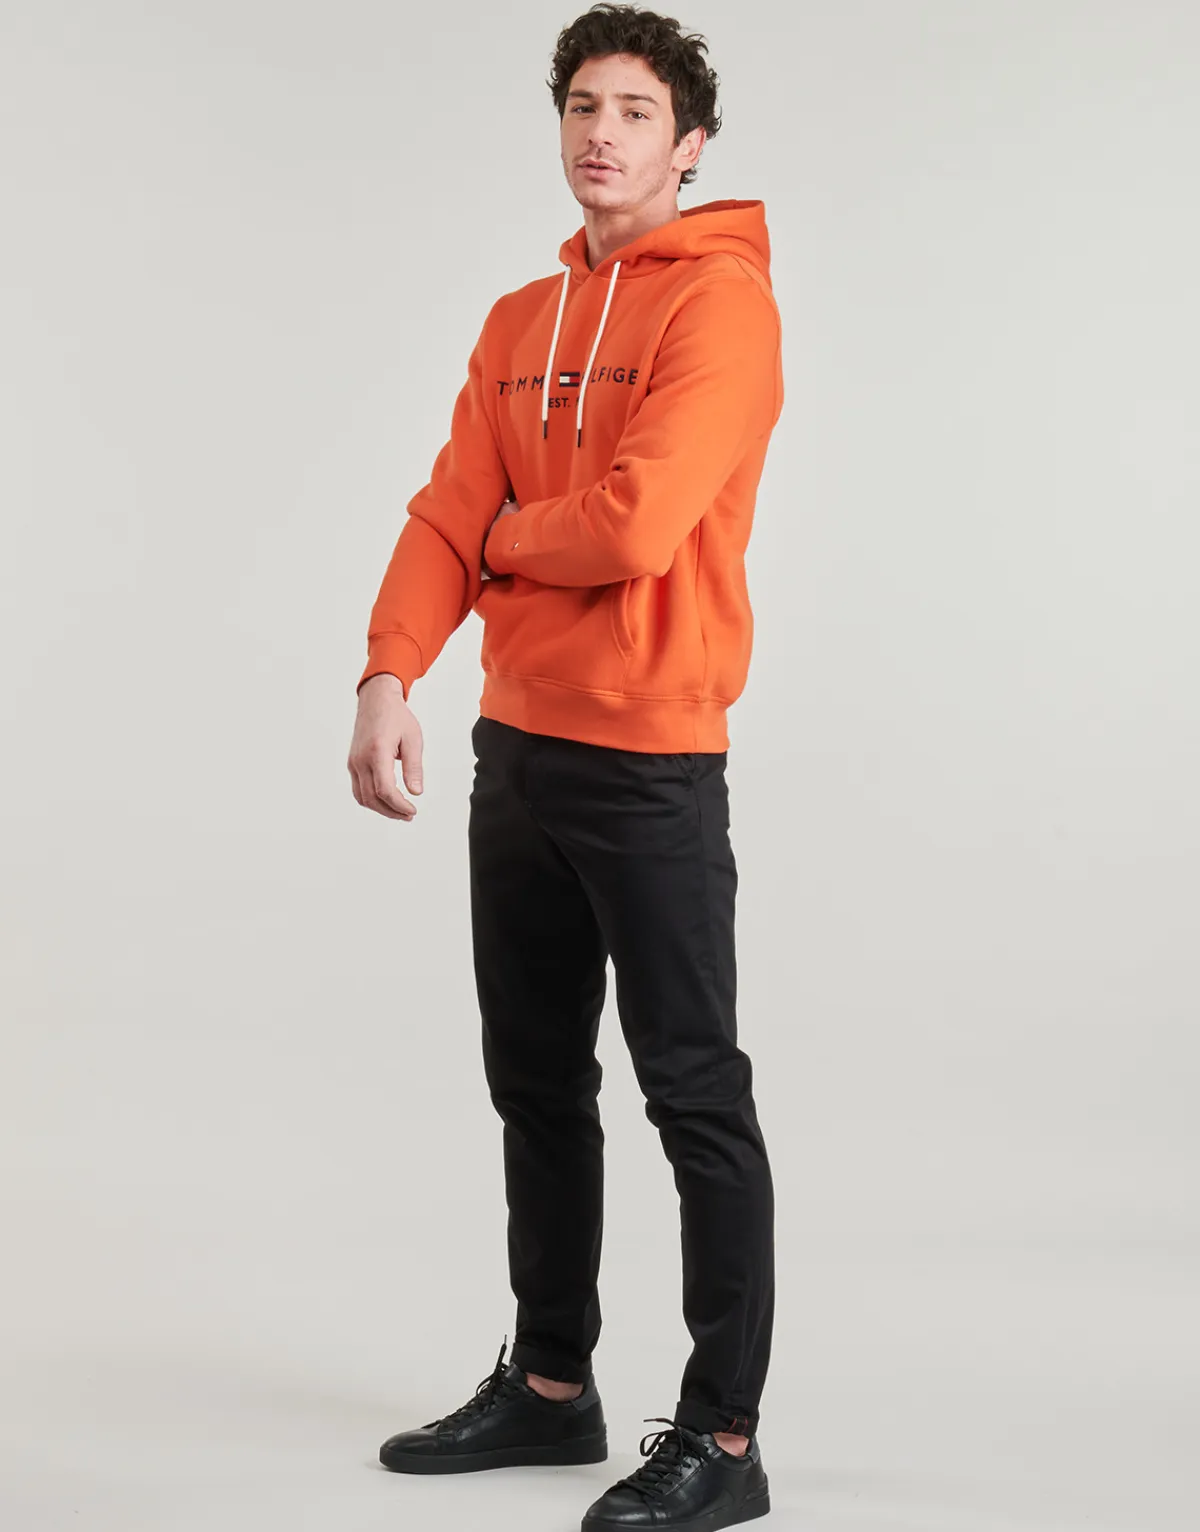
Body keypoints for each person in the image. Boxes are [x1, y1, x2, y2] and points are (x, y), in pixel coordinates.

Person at [347, 5, 783, 1527]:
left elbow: (635, 525)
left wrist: (502, 544)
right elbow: (441, 512)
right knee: (534, 1080)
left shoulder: (721, 307)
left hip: (652, 759)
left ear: (690, 144)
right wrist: (391, 670)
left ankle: (724, 1439)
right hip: (516, 750)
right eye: (584, 106)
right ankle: (551, 1387)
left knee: (693, 1092)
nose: (604, 134)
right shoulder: (519, 322)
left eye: (637, 112)